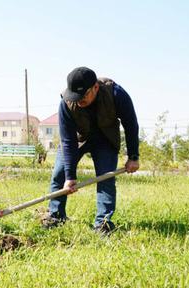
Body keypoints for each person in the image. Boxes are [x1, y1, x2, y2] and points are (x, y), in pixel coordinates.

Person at [45, 66, 139, 233]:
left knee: (105, 178)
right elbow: (67, 140)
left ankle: (102, 224)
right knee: (59, 174)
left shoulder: (115, 93)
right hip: (78, 139)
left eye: (83, 96)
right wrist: (70, 176)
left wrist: (133, 155)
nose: (78, 101)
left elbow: (130, 124)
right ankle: (56, 216)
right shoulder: (66, 103)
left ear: (95, 87)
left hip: (106, 138)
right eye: (75, 97)